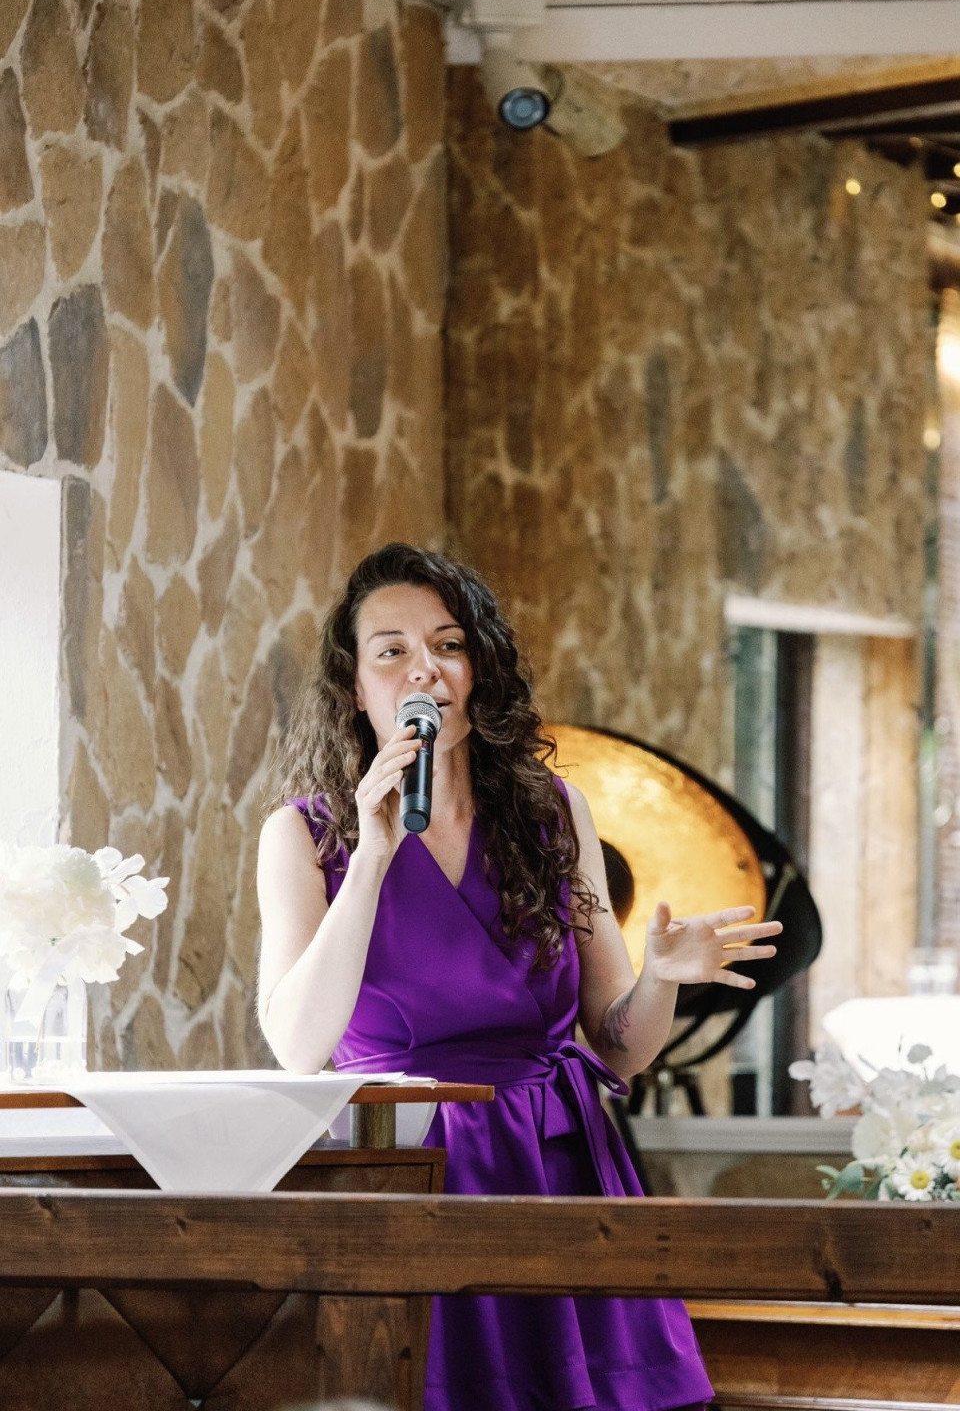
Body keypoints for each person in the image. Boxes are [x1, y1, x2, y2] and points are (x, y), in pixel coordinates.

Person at [257, 542, 781, 1411]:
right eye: (391, 650)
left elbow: (619, 1050)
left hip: (559, 1165)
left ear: (479, 667)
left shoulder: (552, 809)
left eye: (448, 643)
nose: (423, 667)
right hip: (408, 1169)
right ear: (356, 686)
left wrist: (661, 978)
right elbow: (300, 1047)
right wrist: (375, 855)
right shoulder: (304, 834)